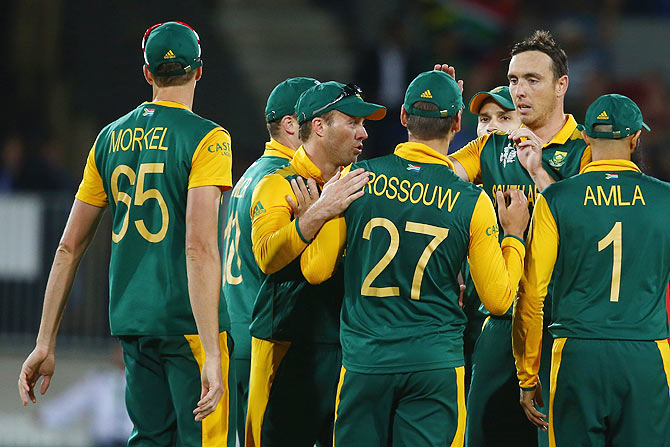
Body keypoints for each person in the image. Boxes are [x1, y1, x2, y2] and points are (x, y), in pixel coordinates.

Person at [18, 21, 235, 446]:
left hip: (134, 322)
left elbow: (68, 246)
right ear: (200, 71)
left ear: (148, 75)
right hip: (187, 324)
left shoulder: (108, 138)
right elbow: (199, 245)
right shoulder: (208, 139)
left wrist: (45, 341)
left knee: (149, 439)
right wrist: (212, 351)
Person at [299, 69, 530, 447]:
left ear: (403, 117)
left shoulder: (355, 180)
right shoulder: (472, 202)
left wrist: (316, 214)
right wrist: (515, 238)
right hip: (434, 365)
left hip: (366, 362)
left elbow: (317, 270)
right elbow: (499, 299)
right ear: (458, 122)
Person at [446, 31, 591, 447]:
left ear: (561, 85)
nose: (519, 91)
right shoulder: (490, 147)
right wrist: (444, 117)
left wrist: (540, 175)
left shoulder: (586, 151)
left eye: (532, 79)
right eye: (512, 80)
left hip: (564, 327)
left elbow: (583, 232)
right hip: (501, 323)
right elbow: (436, 173)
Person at [512, 93, 670, 446]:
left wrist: (527, 376)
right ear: (635, 138)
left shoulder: (556, 199)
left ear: (585, 137)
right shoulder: (666, 199)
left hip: (575, 354)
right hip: (646, 355)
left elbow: (532, 293)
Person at [244, 81, 385, 447]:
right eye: (353, 121)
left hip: (348, 348)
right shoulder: (277, 184)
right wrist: (319, 212)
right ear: (319, 127)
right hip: (285, 344)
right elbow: (268, 256)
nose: (364, 132)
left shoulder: (360, 185)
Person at [222, 76, 319, 444]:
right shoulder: (287, 178)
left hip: (237, 328)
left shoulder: (251, 173)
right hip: (264, 337)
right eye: (315, 117)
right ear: (292, 125)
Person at [460, 84, 523, 395]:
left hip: (525, 313)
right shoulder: (476, 159)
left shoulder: (548, 167)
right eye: (485, 119)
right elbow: (437, 171)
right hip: (474, 310)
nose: (492, 126)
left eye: (504, 117)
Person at [37, 343, 132, 447]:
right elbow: (74, 401)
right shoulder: (100, 380)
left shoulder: (141, 382)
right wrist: (47, 415)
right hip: (104, 441)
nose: (122, 355)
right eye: (120, 350)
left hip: (130, 441)